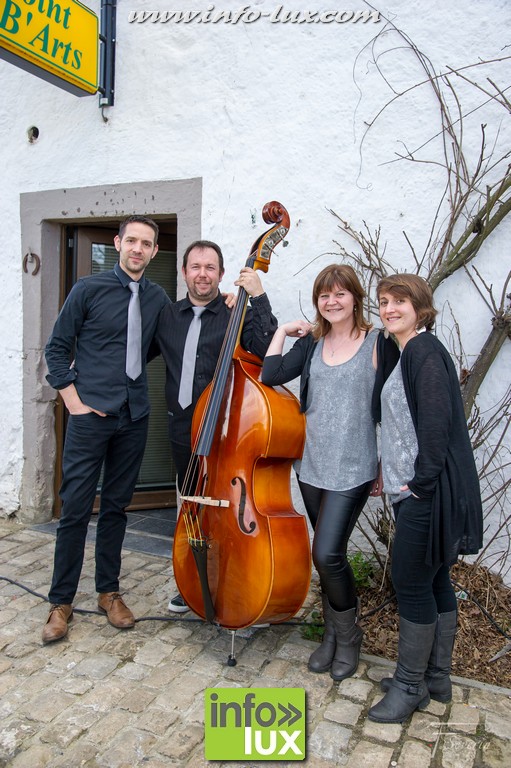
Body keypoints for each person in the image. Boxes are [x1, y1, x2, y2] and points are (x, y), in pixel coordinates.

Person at [261, 264, 399, 681]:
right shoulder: (313, 343)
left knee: (326, 553)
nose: (332, 301)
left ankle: (349, 635)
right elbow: (271, 374)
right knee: (327, 556)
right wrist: (283, 332)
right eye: (324, 295)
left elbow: (394, 409)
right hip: (311, 464)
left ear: (355, 298)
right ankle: (332, 638)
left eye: (340, 293)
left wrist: (383, 461)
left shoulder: (379, 343)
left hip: (354, 465)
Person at [42, 215, 170, 644]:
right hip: (89, 416)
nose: (138, 248)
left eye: (146, 243)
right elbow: (57, 348)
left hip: (134, 417)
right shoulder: (88, 289)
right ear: (118, 243)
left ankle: (108, 592)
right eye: (131, 240)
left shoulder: (157, 298)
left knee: (116, 508)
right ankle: (60, 602)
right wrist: (75, 402)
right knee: (75, 507)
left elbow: (157, 344)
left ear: (154, 251)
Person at [367, 273, 483, 724]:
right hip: (418, 491)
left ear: (420, 306)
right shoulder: (405, 352)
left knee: (410, 581)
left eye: (399, 301)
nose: (389, 308)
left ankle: (410, 686)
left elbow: (435, 426)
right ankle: (436, 676)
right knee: (434, 581)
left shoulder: (422, 351)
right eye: (383, 302)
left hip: (426, 494)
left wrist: (419, 485)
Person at [155, 239, 278, 612]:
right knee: (193, 507)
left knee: (223, 510)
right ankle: (193, 579)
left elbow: (266, 346)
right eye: (195, 267)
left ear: (221, 274)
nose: (202, 274)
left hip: (224, 432)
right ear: (184, 272)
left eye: (210, 268)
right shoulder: (168, 316)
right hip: (182, 430)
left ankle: (234, 578)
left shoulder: (233, 313)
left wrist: (257, 298)